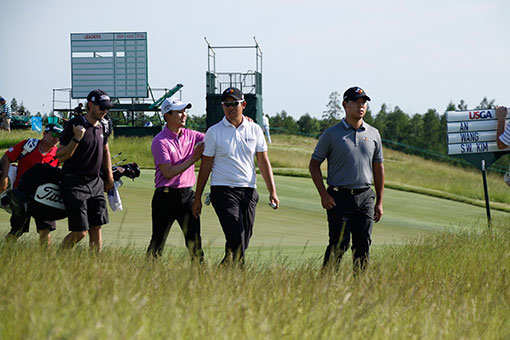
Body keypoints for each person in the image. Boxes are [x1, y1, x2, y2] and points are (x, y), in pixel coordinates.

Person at [192, 87, 279, 265]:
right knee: (236, 236)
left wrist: (272, 191)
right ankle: (240, 277)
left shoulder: (254, 129)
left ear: (243, 104)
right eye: (226, 104)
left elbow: (263, 162)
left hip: (248, 191)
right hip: (222, 191)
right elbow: (206, 165)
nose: (230, 108)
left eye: (234, 103)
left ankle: (224, 270)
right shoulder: (214, 132)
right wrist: (198, 197)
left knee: (243, 239)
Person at [309, 86, 384, 273]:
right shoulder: (331, 134)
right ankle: (325, 284)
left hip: (365, 196)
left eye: (363, 103)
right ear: (345, 104)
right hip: (339, 198)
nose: (361, 106)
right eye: (356, 102)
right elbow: (314, 165)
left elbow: (378, 167)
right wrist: (323, 194)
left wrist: (380, 202)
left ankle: (360, 287)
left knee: (363, 245)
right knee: (338, 244)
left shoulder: (373, 134)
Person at [146, 98, 205, 262]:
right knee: (158, 241)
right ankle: (148, 275)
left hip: (187, 196)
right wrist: (194, 158)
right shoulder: (160, 141)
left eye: (184, 111)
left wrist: (240, 122)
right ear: (167, 115)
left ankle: (200, 277)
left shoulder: (191, 135)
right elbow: (168, 173)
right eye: (179, 111)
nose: (183, 115)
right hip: (164, 197)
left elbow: (214, 137)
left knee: (195, 242)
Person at [56, 89, 114, 252]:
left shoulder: (104, 125)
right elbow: (60, 156)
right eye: (102, 107)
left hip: (96, 183)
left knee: (97, 228)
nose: (105, 111)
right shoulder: (74, 124)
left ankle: (95, 267)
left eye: (107, 108)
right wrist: (76, 139)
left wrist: (109, 177)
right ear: (90, 105)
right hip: (74, 183)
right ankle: (56, 258)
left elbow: (106, 150)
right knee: (80, 232)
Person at [0, 123, 63, 244]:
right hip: (22, 195)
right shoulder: (28, 145)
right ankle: (4, 252)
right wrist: (4, 178)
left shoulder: (58, 153)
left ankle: (45, 260)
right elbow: (6, 157)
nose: (56, 139)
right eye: (54, 135)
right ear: (44, 134)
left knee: (45, 230)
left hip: (44, 199)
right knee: (17, 230)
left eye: (59, 136)